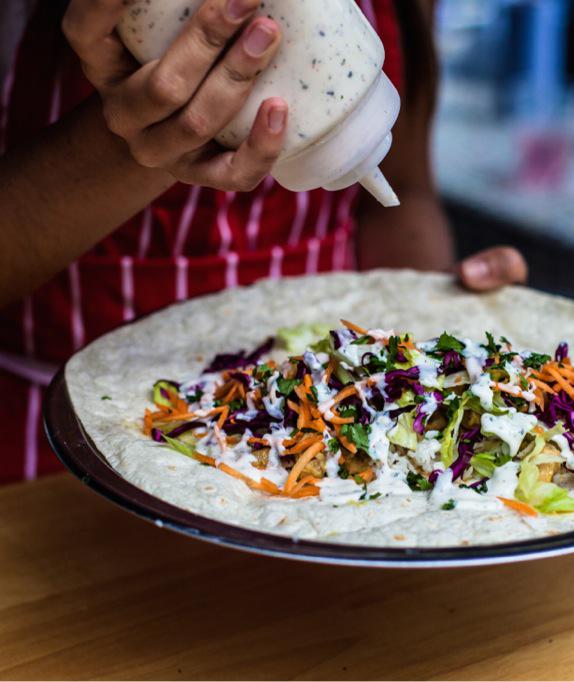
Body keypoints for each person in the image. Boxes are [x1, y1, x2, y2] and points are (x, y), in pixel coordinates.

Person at [0, 0, 528, 485]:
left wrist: (433, 340)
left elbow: (398, 193)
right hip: (56, 460)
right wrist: (135, 140)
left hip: (336, 448)